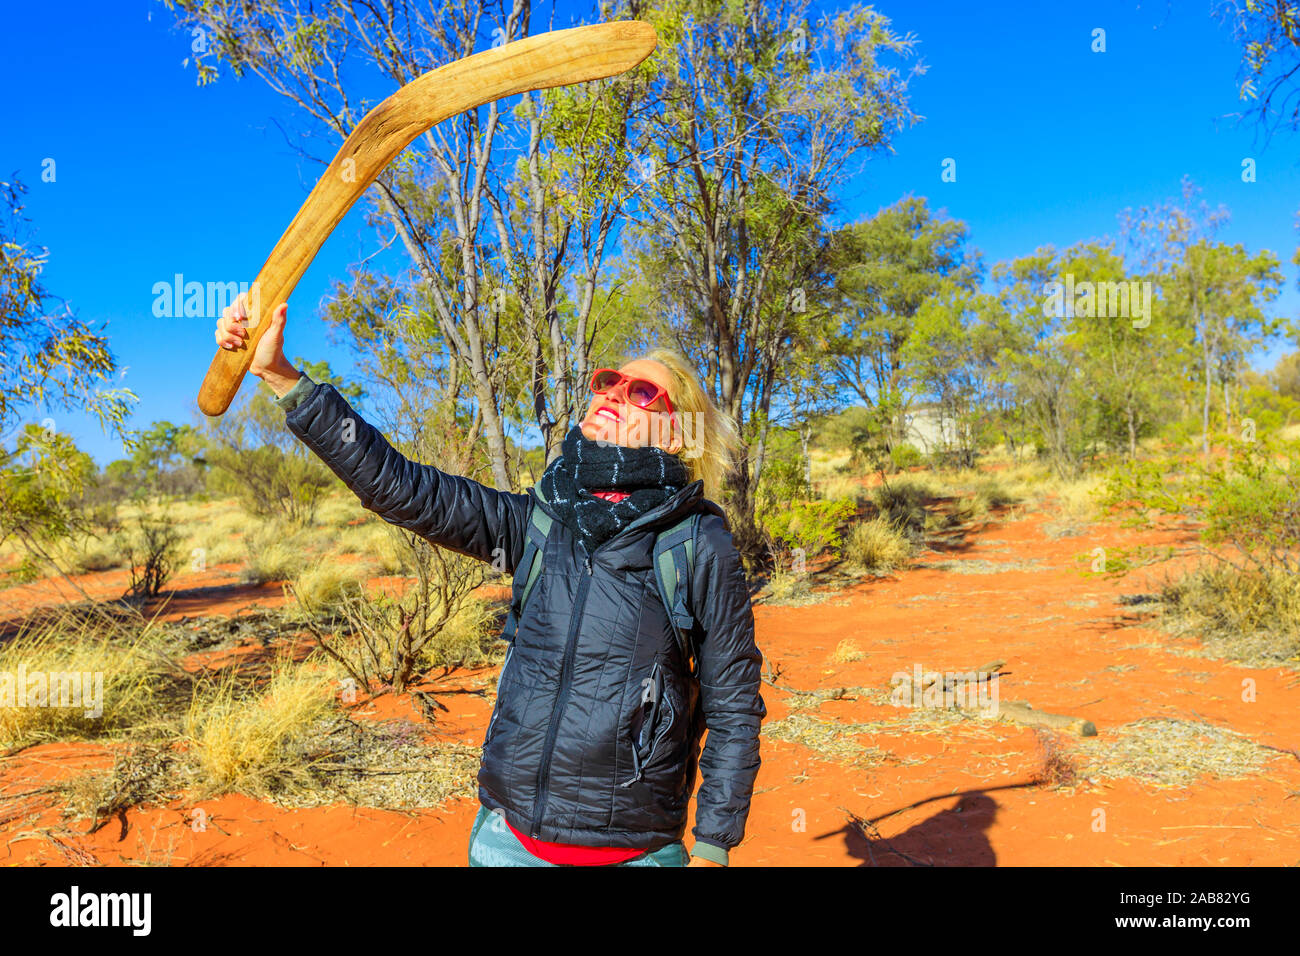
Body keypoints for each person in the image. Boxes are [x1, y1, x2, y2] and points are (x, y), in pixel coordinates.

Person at [215, 295, 766, 867]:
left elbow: (732, 702)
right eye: (608, 383)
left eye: (642, 393)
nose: (613, 395)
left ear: (677, 434)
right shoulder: (542, 522)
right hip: (507, 841)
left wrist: (713, 844)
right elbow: (402, 488)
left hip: (634, 853)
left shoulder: (696, 542)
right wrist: (282, 378)